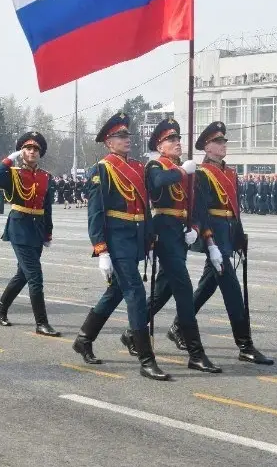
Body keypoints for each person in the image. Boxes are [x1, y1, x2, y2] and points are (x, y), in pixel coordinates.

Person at [117, 119, 221, 373]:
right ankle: (195, 353)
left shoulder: (185, 169)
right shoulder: (156, 165)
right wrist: (182, 172)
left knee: (164, 290)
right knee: (184, 290)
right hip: (163, 231)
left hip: (180, 233)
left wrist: (194, 228)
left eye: (178, 139)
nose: (176, 143)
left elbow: (195, 205)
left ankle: (132, 333)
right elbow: (157, 183)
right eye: (170, 140)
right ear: (160, 146)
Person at [71, 112, 169, 381]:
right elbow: (95, 213)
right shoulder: (102, 169)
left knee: (116, 293)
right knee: (135, 294)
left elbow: (145, 207)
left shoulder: (137, 168)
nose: (127, 139)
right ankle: (146, 358)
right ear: (108, 142)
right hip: (116, 241)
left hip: (135, 238)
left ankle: (84, 338)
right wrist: (101, 250)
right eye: (120, 136)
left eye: (127, 135)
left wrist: (149, 238)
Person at [187, 121, 272, 365]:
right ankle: (245, 344)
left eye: (224, 142)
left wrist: (239, 237)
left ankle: (179, 325)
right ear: (206, 147)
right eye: (218, 142)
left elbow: (234, 209)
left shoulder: (231, 173)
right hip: (213, 237)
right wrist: (211, 243)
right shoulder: (202, 174)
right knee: (233, 291)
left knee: (207, 286)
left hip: (228, 234)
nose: (223, 146)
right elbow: (201, 212)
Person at [0, 131, 59, 336]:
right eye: (28, 148)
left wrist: (48, 232)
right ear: (22, 151)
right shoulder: (13, 173)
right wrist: (9, 159)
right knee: (35, 276)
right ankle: (41, 323)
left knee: (23, 275)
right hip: (19, 228)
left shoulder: (46, 176)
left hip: (37, 228)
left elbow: (47, 207)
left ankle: (1, 307)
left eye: (36, 149)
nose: (32, 152)